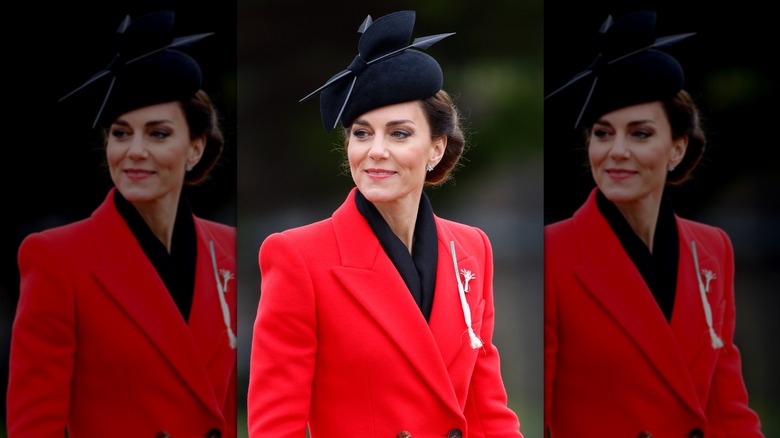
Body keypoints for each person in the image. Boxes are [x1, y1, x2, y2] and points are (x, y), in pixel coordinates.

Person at [247, 10, 522, 437]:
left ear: (435, 148)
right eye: (361, 133)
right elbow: (275, 425)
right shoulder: (297, 256)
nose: (375, 150)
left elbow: (487, 408)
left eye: (398, 133)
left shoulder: (471, 248)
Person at [6, 11, 237, 437]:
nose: (134, 151)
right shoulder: (57, 258)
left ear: (195, 148)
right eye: (120, 132)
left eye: (158, 134)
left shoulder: (229, 250)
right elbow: (33, 426)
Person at [543, 10, 763, 438]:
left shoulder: (713, 248)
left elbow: (728, 407)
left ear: (677, 149)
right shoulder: (554, 252)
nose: (617, 151)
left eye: (640, 134)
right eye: (603, 133)